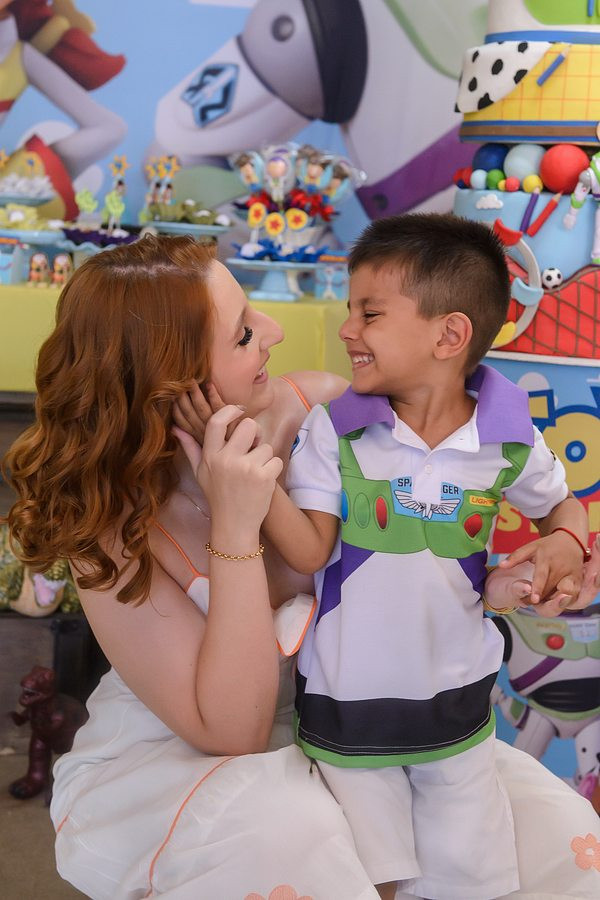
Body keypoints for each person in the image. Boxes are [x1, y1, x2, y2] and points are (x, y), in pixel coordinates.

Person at [2, 234, 599, 900]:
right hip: (200, 752)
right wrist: (235, 522)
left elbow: (437, 543)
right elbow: (234, 731)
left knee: (558, 834)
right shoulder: (109, 532)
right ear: (170, 379)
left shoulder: (324, 413)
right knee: (295, 835)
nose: (276, 332)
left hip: (374, 718)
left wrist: (550, 556)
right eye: (242, 334)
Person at [256, 213, 596, 900]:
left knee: (470, 881)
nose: (348, 329)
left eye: (370, 313)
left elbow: (562, 506)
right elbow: (311, 549)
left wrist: (565, 542)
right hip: (347, 703)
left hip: (458, 706)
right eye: (350, 310)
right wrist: (254, 482)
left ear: (449, 336)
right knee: (369, 879)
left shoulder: (510, 438)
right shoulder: (336, 430)